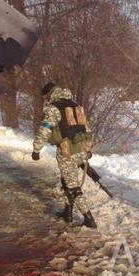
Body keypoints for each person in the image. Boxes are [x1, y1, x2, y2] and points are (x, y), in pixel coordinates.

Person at [32, 82, 97, 228]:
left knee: (72, 186)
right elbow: (87, 128)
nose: (45, 100)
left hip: (66, 152)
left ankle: (89, 219)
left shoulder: (53, 109)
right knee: (66, 181)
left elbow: (45, 130)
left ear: (49, 94)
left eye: (45, 97)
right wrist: (88, 150)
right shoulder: (74, 104)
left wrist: (36, 149)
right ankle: (68, 212)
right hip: (81, 149)